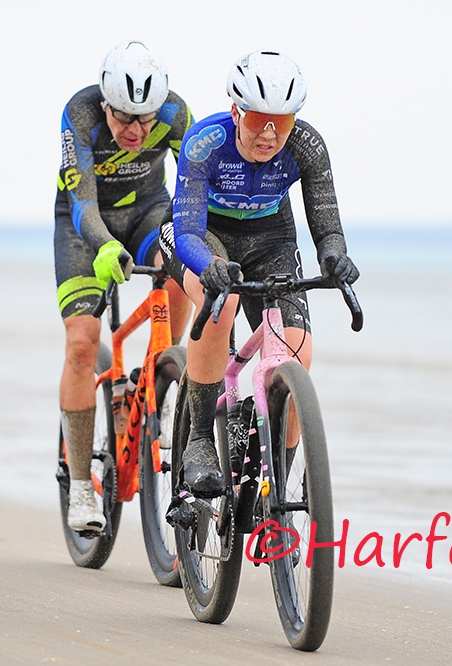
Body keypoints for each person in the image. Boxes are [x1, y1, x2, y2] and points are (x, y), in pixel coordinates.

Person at [159, 50, 359, 494]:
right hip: (202, 234)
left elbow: (327, 225)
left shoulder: (307, 145)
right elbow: (187, 231)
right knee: (222, 302)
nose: (269, 134)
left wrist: (334, 256)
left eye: (282, 122)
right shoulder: (204, 142)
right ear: (236, 112)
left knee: (298, 356)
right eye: (257, 121)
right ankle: (199, 440)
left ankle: (273, 490)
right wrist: (210, 267)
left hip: (270, 239)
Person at [56, 41, 193, 531]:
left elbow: (199, 185)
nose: (134, 131)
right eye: (122, 119)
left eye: (144, 120)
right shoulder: (80, 113)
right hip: (84, 224)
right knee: (82, 343)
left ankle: (163, 373)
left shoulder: (176, 114)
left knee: (184, 267)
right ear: (105, 104)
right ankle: (80, 487)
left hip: (148, 212)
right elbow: (81, 202)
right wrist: (105, 245)